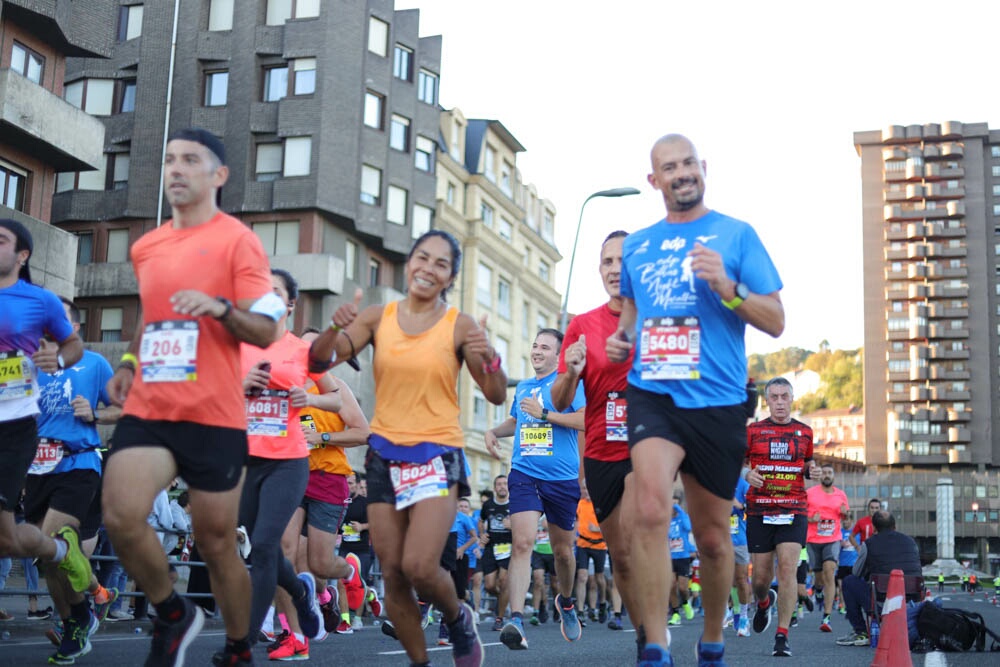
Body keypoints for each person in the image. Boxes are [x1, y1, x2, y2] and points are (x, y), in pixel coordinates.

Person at [102, 128, 285, 667]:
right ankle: (172, 611)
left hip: (214, 414)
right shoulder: (147, 246)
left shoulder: (237, 241)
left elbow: (266, 327)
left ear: (218, 176)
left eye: (190, 161)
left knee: (215, 541)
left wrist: (221, 308)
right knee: (121, 513)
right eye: (169, 160)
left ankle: (236, 647)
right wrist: (130, 363)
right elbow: (151, 318)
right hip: (152, 407)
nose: (176, 169)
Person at [606, 134, 784, 667]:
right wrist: (622, 342)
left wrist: (727, 287)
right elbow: (630, 323)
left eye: (688, 164)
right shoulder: (638, 245)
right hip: (653, 394)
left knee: (710, 538)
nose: (681, 173)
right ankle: (656, 646)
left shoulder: (736, 234)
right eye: (669, 167)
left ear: (702, 168)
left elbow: (776, 320)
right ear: (653, 179)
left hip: (720, 401)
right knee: (651, 507)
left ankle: (711, 639)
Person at [307, 229, 507, 667]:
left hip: (437, 454)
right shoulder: (380, 316)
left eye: (440, 263)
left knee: (419, 565)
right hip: (384, 456)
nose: (428, 268)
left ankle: (457, 618)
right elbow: (318, 362)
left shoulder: (460, 324)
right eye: (422, 257)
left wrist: (488, 355)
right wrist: (335, 326)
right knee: (394, 574)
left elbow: (494, 393)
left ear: (450, 276)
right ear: (410, 261)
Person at [238, 269, 344, 660]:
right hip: (249, 460)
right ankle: (301, 593)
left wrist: (309, 398)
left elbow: (336, 400)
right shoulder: (241, 346)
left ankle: (244, 639)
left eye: (275, 291)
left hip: (289, 460)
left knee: (267, 544)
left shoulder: (302, 350)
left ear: (290, 303)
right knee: (261, 550)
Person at [551, 230, 640, 648]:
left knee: (643, 540)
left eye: (623, 259)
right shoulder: (582, 326)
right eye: (607, 261)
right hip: (604, 451)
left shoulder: (659, 318)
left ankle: (653, 637)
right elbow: (562, 398)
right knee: (621, 554)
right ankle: (644, 631)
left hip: (649, 447)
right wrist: (570, 370)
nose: (614, 268)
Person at [485, 328, 586, 650]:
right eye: (535, 345)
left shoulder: (569, 384)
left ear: (559, 355)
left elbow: (585, 420)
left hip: (561, 478)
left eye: (545, 347)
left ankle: (566, 602)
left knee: (563, 553)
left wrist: (545, 414)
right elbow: (518, 421)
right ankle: (515, 618)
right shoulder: (526, 386)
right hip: (524, 473)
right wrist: (493, 431)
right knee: (522, 543)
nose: (537, 351)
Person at [744, 376, 818, 657]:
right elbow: (734, 462)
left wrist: (814, 471)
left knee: (787, 569)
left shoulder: (805, 432)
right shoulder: (753, 432)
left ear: (791, 399)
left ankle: (782, 635)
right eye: (773, 397)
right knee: (760, 580)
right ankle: (764, 602)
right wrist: (746, 474)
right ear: (767, 401)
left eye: (784, 396)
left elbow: (808, 463)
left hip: (793, 509)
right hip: (760, 510)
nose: (779, 402)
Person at [835, 511, 921, 647]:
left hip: (882, 602)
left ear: (874, 527)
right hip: (912, 601)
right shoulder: (910, 542)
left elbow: (856, 572)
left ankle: (860, 632)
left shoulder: (869, 544)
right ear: (895, 526)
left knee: (849, 581)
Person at [806, 464, 849, 633]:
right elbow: (801, 514)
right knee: (819, 577)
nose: (827, 475)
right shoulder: (810, 493)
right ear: (820, 476)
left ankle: (827, 616)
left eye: (830, 472)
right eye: (824, 472)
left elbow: (846, 517)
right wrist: (811, 519)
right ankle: (817, 590)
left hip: (833, 539)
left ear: (833, 476)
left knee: (829, 572)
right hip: (813, 540)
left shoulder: (841, 495)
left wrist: (846, 513)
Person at [479, 474, 512, 628]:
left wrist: (513, 526)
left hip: (509, 546)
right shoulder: (488, 505)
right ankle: (503, 601)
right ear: (494, 488)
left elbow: (525, 526)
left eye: (505, 483)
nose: (502, 486)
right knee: (489, 585)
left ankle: (499, 618)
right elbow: (481, 521)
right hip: (492, 547)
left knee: (504, 581)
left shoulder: (515, 505)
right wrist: (482, 535)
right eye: (499, 484)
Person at [574, 488, 608, 625]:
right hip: (583, 544)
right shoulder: (580, 504)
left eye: (589, 489)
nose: (586, 492)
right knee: (582, 576)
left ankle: (602, 603)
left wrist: (599, 528)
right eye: (584, 490)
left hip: (599, 545)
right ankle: (580, 611)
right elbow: (574, 519)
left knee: (598, 579)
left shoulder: (601, 504)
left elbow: (611, 524)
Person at [729, 474, 752, 637]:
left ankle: (744, 617)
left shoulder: (743, 485)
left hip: (739, 540)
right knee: (728, 581)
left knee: (741, 579)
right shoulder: (714, 481)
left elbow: (754, 509)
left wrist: (740, 506)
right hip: (721, 540)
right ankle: (734, 612)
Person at [667, 496, 695, 626]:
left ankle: (685, 603)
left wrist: (677, 507)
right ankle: (675, 613)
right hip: (669, 557)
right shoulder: (666, 520)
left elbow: (688, 527)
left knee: (683, 588)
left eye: (675, 505)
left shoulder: (683, 518)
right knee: (671, 585)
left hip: (683, 556)